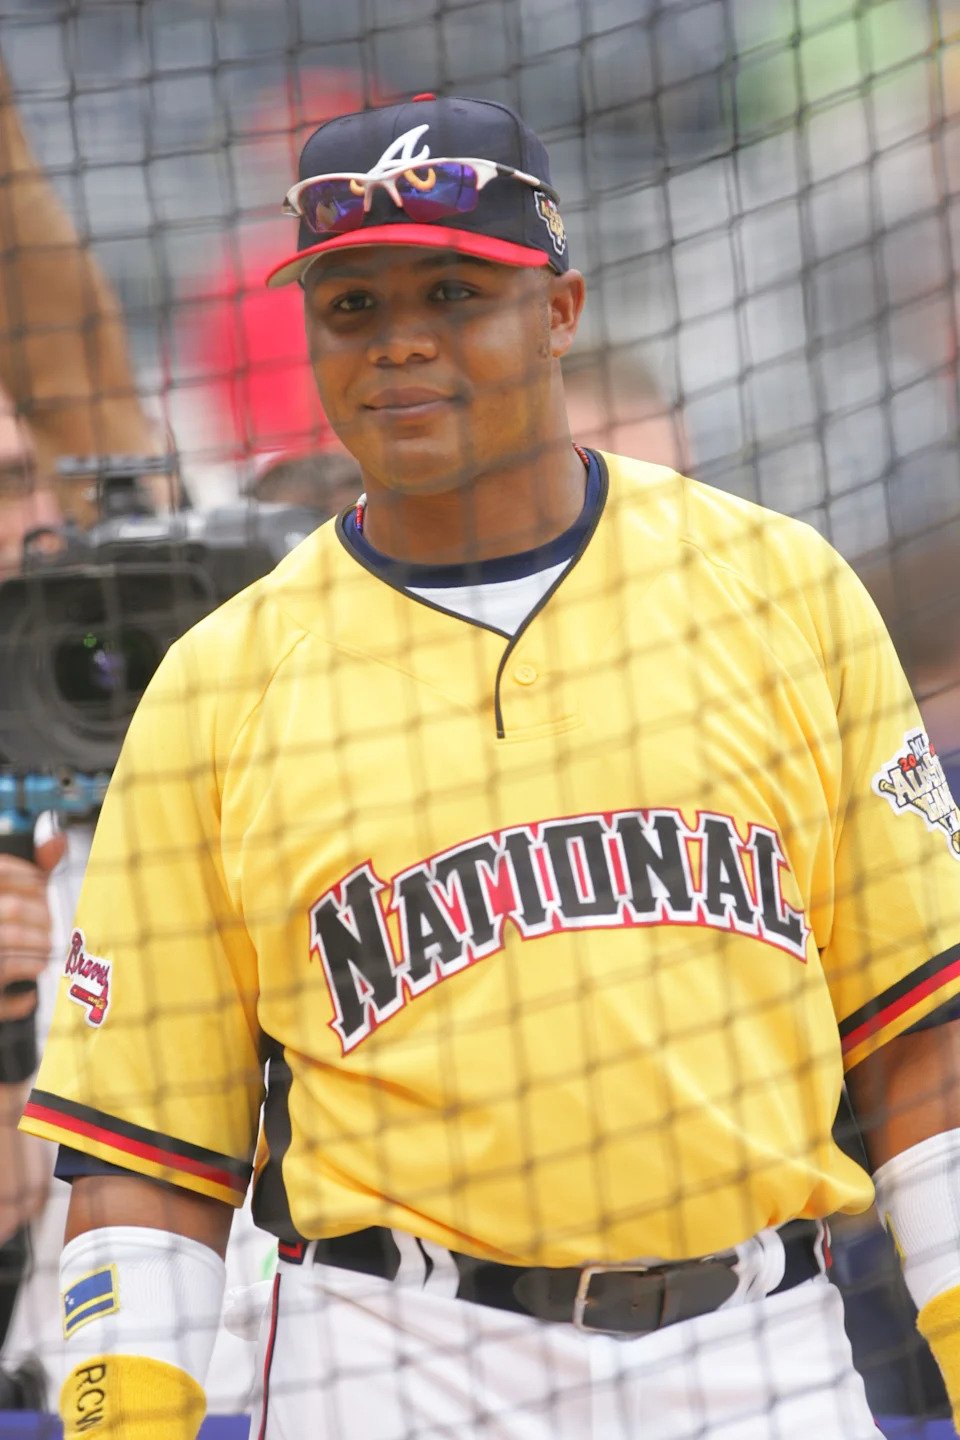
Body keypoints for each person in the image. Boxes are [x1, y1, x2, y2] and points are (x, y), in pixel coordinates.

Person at [19, 92, 960, 1440]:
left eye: (453, 294)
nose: (399, 342)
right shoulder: (222, 681)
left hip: (761, 1347)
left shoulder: (779, 587)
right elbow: (146, 1154)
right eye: (352, 306)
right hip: (396, 1357)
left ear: (561, 309)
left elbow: (921, 1038)